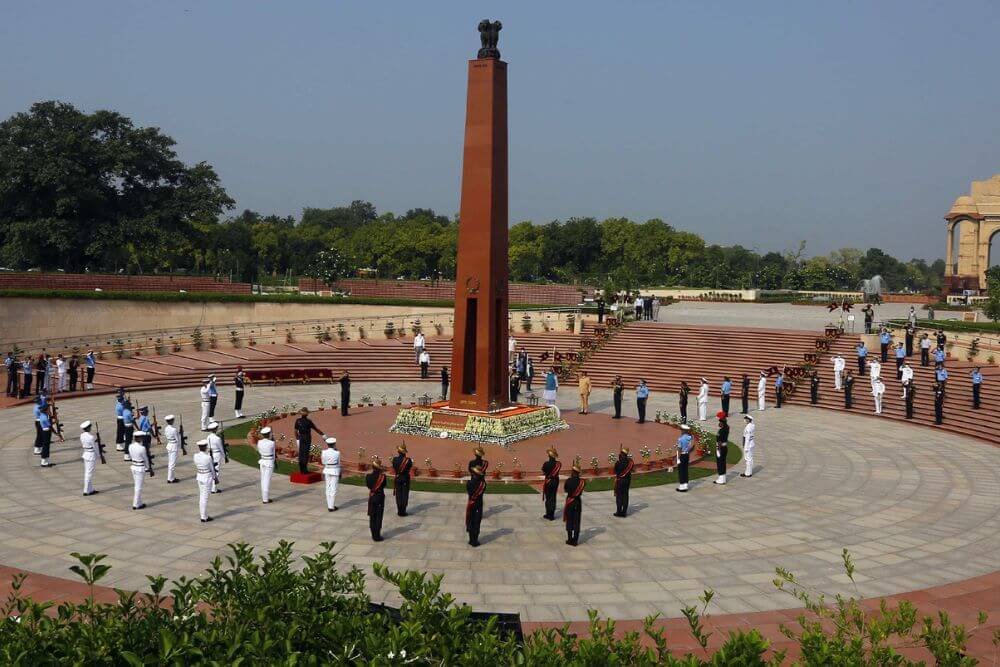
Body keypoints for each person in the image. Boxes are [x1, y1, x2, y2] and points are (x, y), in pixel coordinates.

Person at [293, 408, 325, 475]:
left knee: (301, 453)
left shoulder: (297, 421)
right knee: (306, 453)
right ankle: (304, 470)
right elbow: (316, 429)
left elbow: (295, 431)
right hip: (307, 437)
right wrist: (323, 434)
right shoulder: (309, 421)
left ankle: (302, 469)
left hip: (301, 437)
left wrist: (297, 439)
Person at [563, 465, 585, 545]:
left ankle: (569, 539)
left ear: (572, 472)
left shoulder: (568, 480)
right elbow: (581, 491)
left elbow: (565, 489)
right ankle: (575, 540)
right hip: (577, 501)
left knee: (569, 520)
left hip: (570, 501)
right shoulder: (582, 481)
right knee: (577, 521)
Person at [193, 439, 214, 522]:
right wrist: (215, 478)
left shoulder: (195, 456)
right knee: (204, 498)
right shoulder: (208, 457)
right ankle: (204, 517)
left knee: (202, 496)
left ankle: (203, 515)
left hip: (199, 476)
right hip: (206, 477)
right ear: (205, 447)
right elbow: (212, 469)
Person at [366, 458, 387, 542]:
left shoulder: (368, 476)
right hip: (379, 497)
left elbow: (368, 486)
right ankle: (377, 535)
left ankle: (373, 533)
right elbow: (384, 485)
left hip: (372, 497)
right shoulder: (383, 477)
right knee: (378, 516)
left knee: (372, 515)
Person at [128, 431, 150, 510]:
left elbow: (130, 456)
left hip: (133, 466)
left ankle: (139, 502)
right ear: (140, 438)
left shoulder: (130, 446)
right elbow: (145, 459)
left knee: (137, 485)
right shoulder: (142, 448)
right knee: (138, 487)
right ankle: (136, 504)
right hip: (140, 468)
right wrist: (148, 468)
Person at [466, 465, 486, 547]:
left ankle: (471, 540)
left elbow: (469, 492)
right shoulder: (483, 484)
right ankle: (475, 541)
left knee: (470, 521)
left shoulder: (468, 483)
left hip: (470, 504)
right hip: (478, 506)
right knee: (477, 523)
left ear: (473, 474)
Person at [391, 443, 412, 516]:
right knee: (405, 494)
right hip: (405, 478)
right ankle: (403, 510)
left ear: (398, 452)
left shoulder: (394, 459)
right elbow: (409, 468)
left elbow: (394, 467)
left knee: (398, 494)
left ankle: (399, 510)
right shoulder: (408, 460)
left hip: (398, 478)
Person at [321, 436, 342, 511]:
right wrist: (340, 472)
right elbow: (339, 464)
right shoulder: (337, 453)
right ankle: (331, 506)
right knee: (333, 488)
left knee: (328, 488)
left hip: (327, 470)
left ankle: (329, 505)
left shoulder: (324, 452)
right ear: (334, 444)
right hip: (335, 470)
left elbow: (323, 462)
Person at [80, 421, 99, 496]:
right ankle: (86, 490)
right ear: (88, 428)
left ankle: (90, 489)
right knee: (89, 473)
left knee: (87, 472)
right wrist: (99, 455)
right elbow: (95, 447)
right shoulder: (91, 437)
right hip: (91, 454)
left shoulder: (82, 435)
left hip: (86, 453)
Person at [613, 447, 633, 517]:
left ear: (621, 454)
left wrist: (619, 460)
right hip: (627, 480)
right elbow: (631, 468)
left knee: (619, 496)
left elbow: (615, 471)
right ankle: (624, 512)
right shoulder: (630, 462)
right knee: (625, 495)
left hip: (620, 480)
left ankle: (619, 512)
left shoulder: (618, 462)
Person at [541, 448, 561, 520]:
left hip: (548, 482)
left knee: (548, 498)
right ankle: (552, 515)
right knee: (553, 497)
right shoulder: (559, 464)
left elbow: (543, 472)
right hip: (555, 481)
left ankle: (548, 514)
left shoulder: (546, 464)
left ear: (549, 456)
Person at [258, 427, 276, 504]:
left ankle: (264, 497)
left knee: (263, 479)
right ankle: (265, 499)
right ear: (269, 434)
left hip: (262, 461)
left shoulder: (259, 442)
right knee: (267, 480)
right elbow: (274, 453)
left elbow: (259, 451)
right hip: (269, 462)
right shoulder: (272, 443)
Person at [206, 422, 225, 492]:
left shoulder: (208, 437)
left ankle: (211, 487)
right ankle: (214, 488)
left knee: (211, 470)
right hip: (217, 454)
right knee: (216, 470)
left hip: (210, 454)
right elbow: (221, 448)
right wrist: (225, 456)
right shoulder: (217, 438)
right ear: (215, 429)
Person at [163, 415, 181, 483]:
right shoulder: (174, 429)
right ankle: (170, 479)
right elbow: (177, 439)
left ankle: (170, 477)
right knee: (172, 464)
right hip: (173, 446)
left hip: (169, 445)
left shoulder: (166, 428)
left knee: (170, 462)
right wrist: (180, 447)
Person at [676, 424, 693, 492]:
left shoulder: (681, 439)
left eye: (681, 430)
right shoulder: (689, 437)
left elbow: (679, 449)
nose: (681, 431)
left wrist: (678, 458)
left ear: (683, 431)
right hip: (687, 455)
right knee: (685, 470)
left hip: (682, 455)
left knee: (681, 471)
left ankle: (682, 486)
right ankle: (685, 484)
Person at [714, 411, 730, 485]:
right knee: (723, 463)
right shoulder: (727, 428)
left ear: (722, 423)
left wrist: (718, 449)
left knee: (720, 463)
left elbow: (719, 441)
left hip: (720, 448)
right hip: (725, 447)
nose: (718, 423)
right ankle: (723, 478)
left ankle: (721, 478)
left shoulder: (721, 431)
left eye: (720, 422)